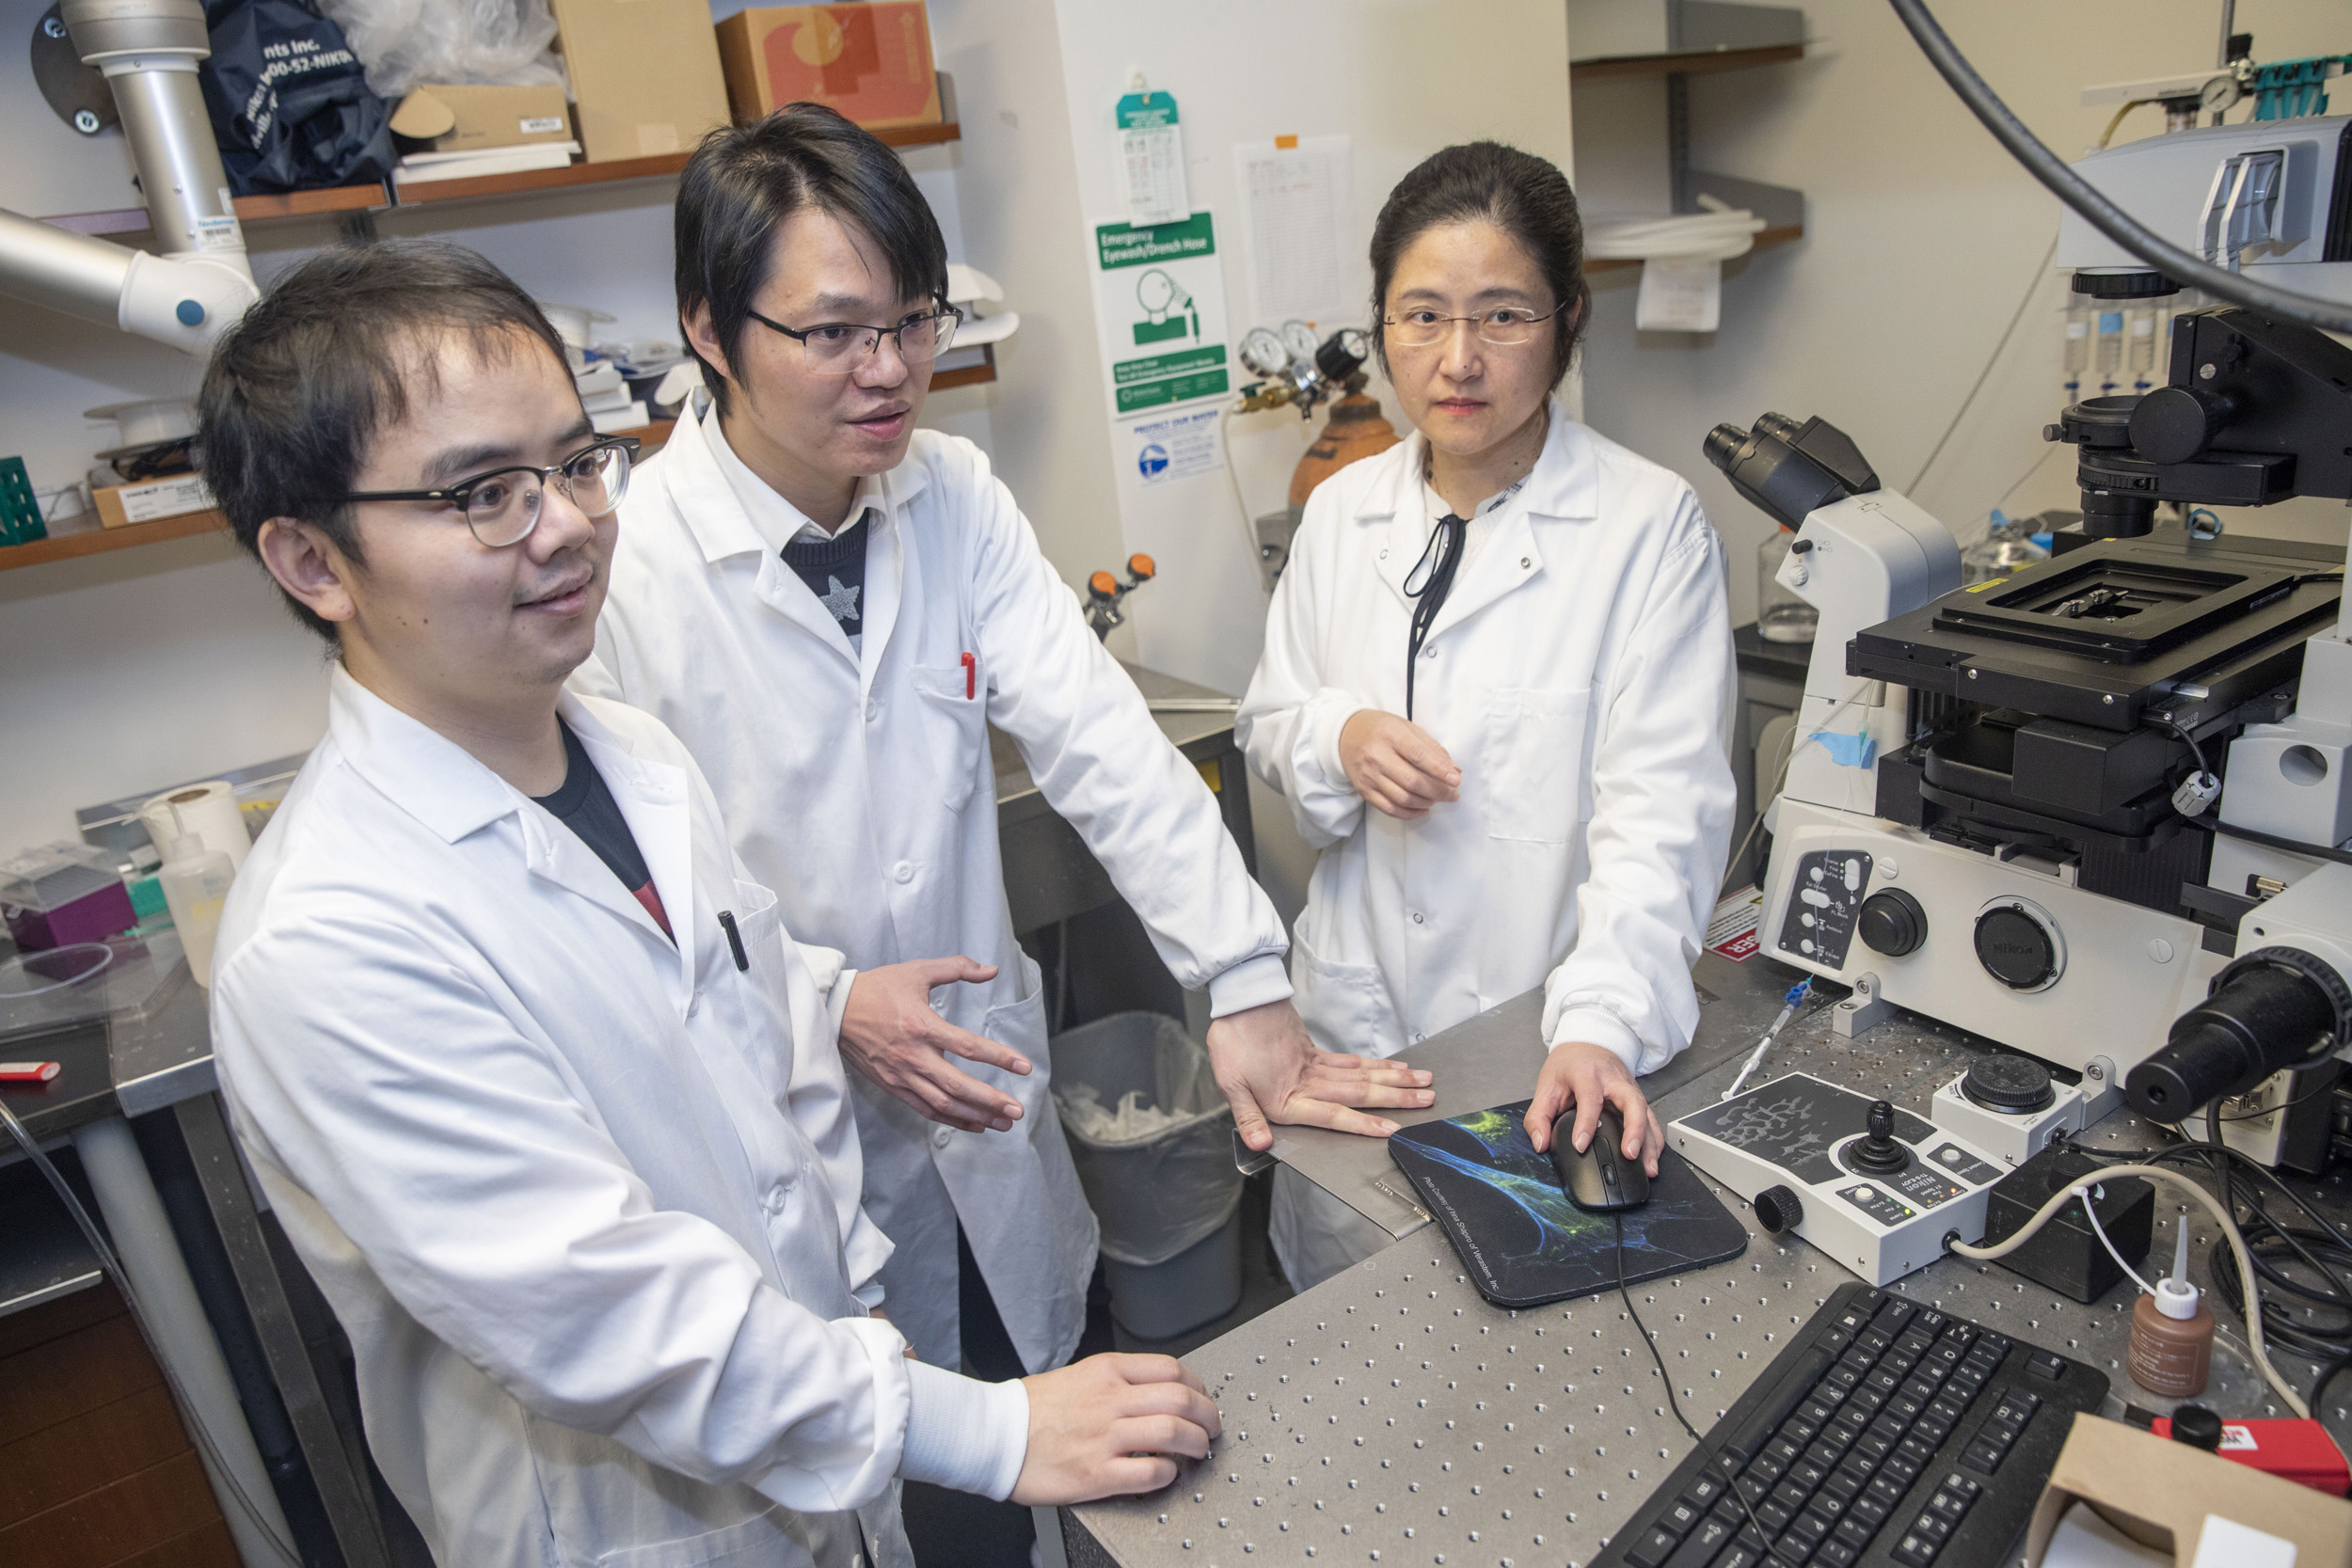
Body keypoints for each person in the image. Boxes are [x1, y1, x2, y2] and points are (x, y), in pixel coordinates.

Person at [199, 240, 1220, 1568]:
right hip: (636, 1525)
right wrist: (985, 1428)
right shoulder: (331, 940)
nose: (565, 522)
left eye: (574, 463)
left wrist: (855, 1297)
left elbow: (762, 1033)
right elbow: (607, 1314)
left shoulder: (631, 755)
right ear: (312, 561)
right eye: (484, 494)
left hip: (817, 1460)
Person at [578, 104, 1432, 1378]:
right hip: (800, 1140)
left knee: (1050, 1392)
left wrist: (1242, 975)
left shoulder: (951, 495)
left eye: (914, 321)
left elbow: (1101, 739)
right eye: (832, 333)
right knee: (900, 1462)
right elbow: (633, 910)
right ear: (709, 327)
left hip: (987, 1100)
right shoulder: (621, 572)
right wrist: (824, 1000)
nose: (888, 369)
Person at [1238, 141, 1736, 1291]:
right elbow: (1271, 715)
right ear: (1382, 327)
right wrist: (1337, 736)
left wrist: (1602, 1020)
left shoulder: (1645, 528)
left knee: (1538, 1376)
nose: (1456, 360)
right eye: (1420, 316)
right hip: (1356, 1028)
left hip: (1545, 1033)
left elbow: (1660, 811)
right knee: (1351, 1343)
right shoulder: (1339, 512)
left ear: (1567, 322)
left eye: (1501, 316)